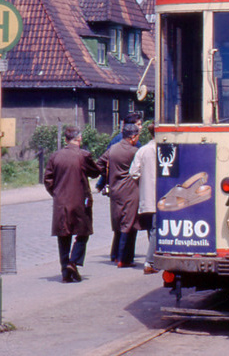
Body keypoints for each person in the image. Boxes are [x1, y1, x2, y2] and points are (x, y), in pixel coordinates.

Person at [44, 126, 101, 283]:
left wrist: (57, 194)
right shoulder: (83, 155)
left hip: (61, 203)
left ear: (66, 140)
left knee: (63, 236)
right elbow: (95, 172)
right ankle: (73, 262)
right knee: (83, 233)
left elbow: (48, 179)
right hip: (80, 202)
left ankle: (65, 271)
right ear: (79, 139)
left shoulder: (55, 157)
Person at [97, 111, 143, 261]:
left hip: (115, 188)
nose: (140, 128)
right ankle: (123, 258)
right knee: (129, 223)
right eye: (138, 125)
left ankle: (115, 254)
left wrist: (106, 180)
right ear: (132, 134)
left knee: (118, 222)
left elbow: (101, 164)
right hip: (130, 189)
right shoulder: (135, 149)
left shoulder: (114, 146)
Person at [129, 125, 158, 274]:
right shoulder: (166, 149)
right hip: (163, 197)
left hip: (147, 196)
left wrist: (143, 181)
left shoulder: (143, 150)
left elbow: (133, 172)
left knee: (151, 228)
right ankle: (150, 262)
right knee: (156, 229)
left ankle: (153, 259)